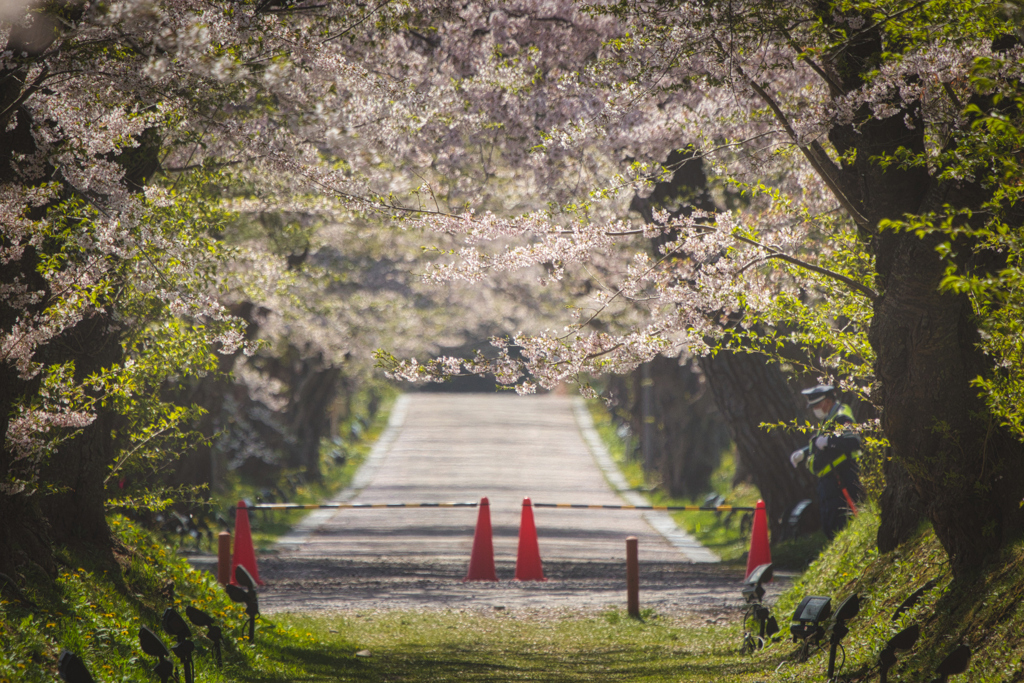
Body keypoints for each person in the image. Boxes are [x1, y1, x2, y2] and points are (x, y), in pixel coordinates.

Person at [789, 385, 863, 540]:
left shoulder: (842, 417)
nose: (814, 409)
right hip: (829, 481)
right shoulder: (828, 419)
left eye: (816, 405)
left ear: (828, 401)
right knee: (830, 522)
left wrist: (830, 441)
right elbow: (819, 444)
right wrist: (804, 453)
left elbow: (854, 442)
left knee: (839, 521)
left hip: (842, 477)